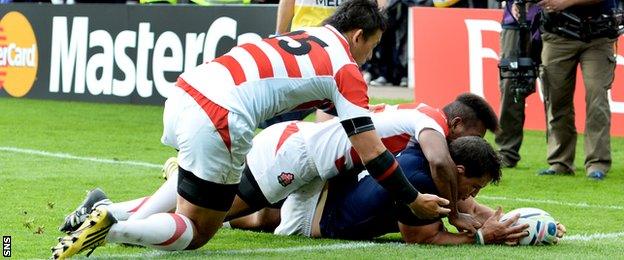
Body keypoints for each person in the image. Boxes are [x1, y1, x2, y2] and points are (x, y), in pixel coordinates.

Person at [51, 0, 452, 258]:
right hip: (221, 116)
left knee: (190, 189)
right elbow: (372, 151)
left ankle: (102, 208)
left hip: (186, 92)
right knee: (198, 229)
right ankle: (112, 228)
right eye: (373, 47)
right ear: (358, 35)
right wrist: (412, 198)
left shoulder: (306, 33)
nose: (369, 57)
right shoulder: (345, 68)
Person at [56, 93, 499, 239]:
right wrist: (464, 216)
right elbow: (441, 164)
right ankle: (111, 221)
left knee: (233, 212)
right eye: (474, 136)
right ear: (456, 123)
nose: (472, 146)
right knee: (202, 221)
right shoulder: (431, 128)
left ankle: (108, 208)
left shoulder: (412, 118)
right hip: (294, 156)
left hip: (304, 158)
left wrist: (473, 213)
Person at [234, 137, 567, 245]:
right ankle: (212, 212)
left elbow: (471, 209)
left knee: (263, 213)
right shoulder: (421, 181)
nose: (474, 195)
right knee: (259, 218)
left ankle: (216, 208)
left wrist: (527, 222)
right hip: (319, 218)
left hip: (329, 187)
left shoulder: (426, 152)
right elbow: (421, 237)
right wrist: (483, 238)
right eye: (476, 186)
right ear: (459, 170)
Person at [537, 0, 619, 180]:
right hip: (557, 34)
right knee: (556, 100)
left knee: (597, 98)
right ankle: (560, 161)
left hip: (598, 35)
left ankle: (597, 162)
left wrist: (565, 2)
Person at [495, 0, 541, 168]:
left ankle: (560, 159)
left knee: (556, 89)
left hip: (553, 21)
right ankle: (506, 151)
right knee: (510, 88)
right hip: (513, 23)